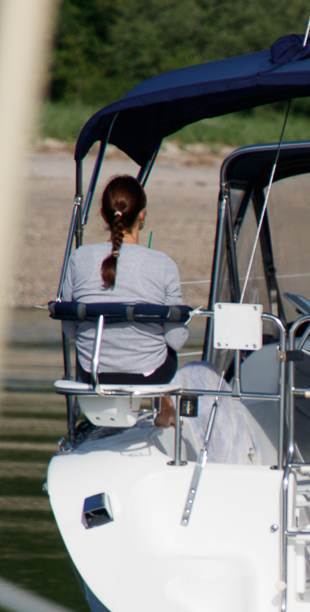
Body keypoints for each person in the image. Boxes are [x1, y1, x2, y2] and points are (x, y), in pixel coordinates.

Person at [61, 175, 187, 427]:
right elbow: (176, 340)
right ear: (142, 215)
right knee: (167, 346)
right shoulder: (163, 263)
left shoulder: (79, 258)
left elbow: (70, 330)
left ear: (103, 215)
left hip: (91, 372)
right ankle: (166, 409)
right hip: (150, 375)